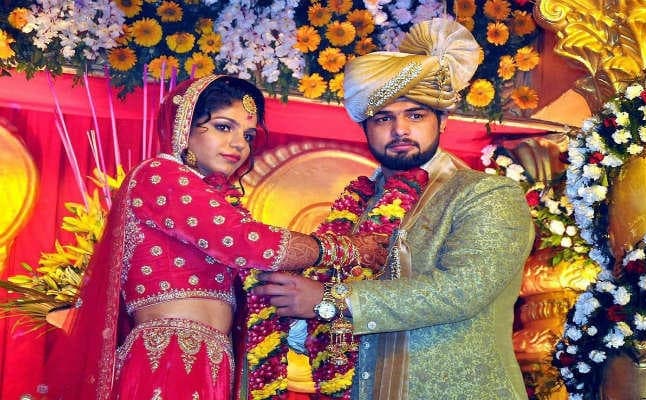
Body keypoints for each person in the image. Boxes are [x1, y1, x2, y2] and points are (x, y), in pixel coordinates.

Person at [43, 74, 388, 400]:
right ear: (184, 127)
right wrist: (347, 249)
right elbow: (248, 242)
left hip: (216, 361)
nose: (239, 144)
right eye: (224, 127)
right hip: (167, 354)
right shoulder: (159, 174)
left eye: (248, 136)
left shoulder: (221, 203)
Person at [254, 18, 535, 399]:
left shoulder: (486, 194)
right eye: (383, 118)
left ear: (442, 120)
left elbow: (462, 290)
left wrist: (330, 299)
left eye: (415, 115)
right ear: (365, 129)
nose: (400, 129)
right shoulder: (356, 208)